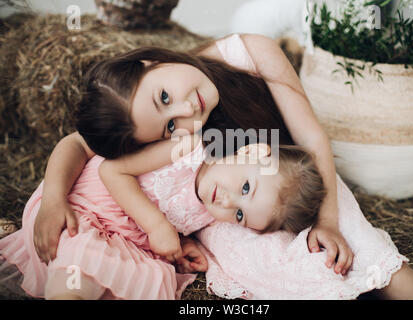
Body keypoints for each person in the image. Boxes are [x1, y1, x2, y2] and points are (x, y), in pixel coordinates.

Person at [34, 33, 353, 277]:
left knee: (347, 233)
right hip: (255, 187)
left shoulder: (247, 53)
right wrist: (53, 199)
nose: (187, 109)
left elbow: (311, 138)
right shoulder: (163, 133)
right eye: (171, 125)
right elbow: (77, 145)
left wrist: (328, 221)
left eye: (164, 96)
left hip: (285, 173)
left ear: (149, 63)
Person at [0, 137, 326, 299]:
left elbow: (174, 219)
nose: (227, 202)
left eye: (239, 215)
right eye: (245, 186)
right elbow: (113, 169)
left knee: (150, 281)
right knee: (82, 257)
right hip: (79, 210)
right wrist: (158, 226)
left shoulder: (210, 213)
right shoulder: (189, 146)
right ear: (253, 151)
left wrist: (182, 243)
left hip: (115, 239)